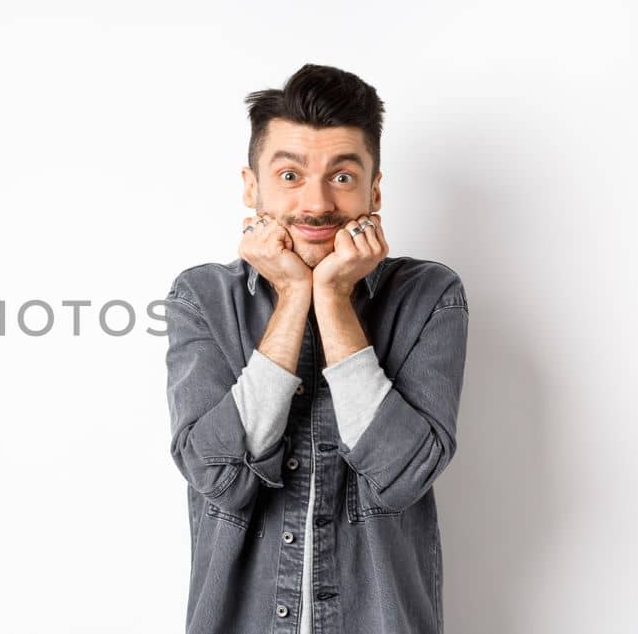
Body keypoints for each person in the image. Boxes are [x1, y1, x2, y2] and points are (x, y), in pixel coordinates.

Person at [163, 64, 470, 634]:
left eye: (342, 177)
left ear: (374, 190)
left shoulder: (431, 295)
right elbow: (216, 474)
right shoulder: (201, 297)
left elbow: (403, 474)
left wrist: (330, 295)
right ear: (251, 187)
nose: (317, 202)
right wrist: (291, 297)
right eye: (289, 174)